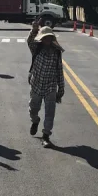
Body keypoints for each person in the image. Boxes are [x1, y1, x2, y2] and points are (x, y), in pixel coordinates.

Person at [27, 18, 65, 148]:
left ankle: (46, 136)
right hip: (36, 83)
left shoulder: (56, 52)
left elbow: (59, 70)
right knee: (33, 108)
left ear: (51, 38)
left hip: (50, 86)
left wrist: (61, 89)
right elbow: (29, 41)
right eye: (45, 38)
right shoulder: (36, 48)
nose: (47, 40)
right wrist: (34, 29)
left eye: (49, 37)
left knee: (50, 112)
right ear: (41, 39)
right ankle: (35, 120)